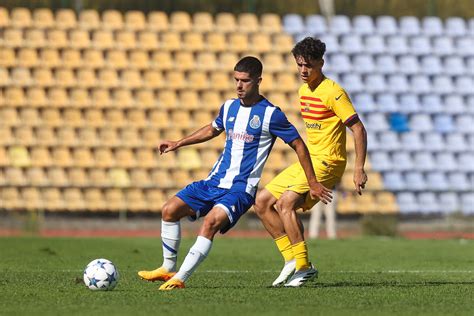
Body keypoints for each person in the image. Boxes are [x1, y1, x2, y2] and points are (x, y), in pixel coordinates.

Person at [138, 56, 332, 290]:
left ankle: (180, 278)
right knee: (169, 210)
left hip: (240, 190)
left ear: (259, 81)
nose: (239, 86)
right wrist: (179, 143)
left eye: (245, 81)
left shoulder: (271, 114)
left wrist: (312, 182)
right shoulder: (229, 106)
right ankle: (167, 267)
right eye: (236, 80)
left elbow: (299, 145)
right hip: (213, 182)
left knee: (210, 222)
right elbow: (212, 128)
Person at [254, 37, 368, 287]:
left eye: (309, 65)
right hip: (310, 160)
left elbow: (358, 129)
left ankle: (304, 267)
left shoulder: (334, 92)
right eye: (299, 65)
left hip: (329, 161)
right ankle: (291, 261)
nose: (303, 71)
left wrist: (358, 168)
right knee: (262, 202)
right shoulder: (303, 90)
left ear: (321, 63)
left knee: (285, 204)